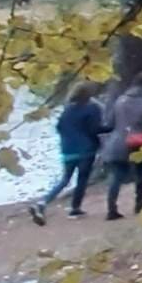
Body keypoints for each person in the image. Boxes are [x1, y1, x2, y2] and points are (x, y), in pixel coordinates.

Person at [30, 80, 106, 222]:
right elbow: (96, 129)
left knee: (65, 179)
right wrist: (113, 127)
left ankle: (43, 202)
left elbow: (59, 127)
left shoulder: (68, 109)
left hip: (67, 150)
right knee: (82, 179)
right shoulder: (92, 109)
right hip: (86, 150)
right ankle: (75, 209)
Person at [100, 70, 142, 219]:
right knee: (141, 173)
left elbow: (109, 122)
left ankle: (111, 208)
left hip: (117, 142)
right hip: (139, 141)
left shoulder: (121, 99)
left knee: (117, 176)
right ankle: (139, 203)